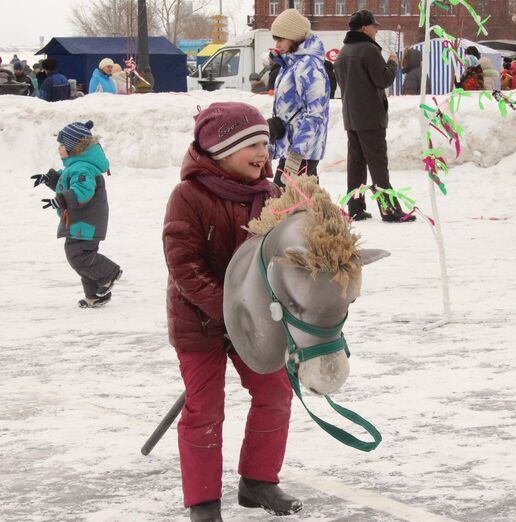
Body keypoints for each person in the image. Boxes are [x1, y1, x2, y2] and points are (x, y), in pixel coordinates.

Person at [162, 102, 301, 522]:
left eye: (265, 143)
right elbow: (184, 266)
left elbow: (285, 255)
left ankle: (258, 481)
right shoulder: (188, 197)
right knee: (205, 408)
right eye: (252, 144)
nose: (264, 152)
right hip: (200, 321)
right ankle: (202, 501)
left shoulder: (272, 195)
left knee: (275, 393)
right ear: (221, 149)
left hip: (255, 322)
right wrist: (228, 311)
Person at [334, 9, 415, 222]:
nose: (377, 29)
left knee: (356, 165)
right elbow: (384, 79)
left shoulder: (343, 52)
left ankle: (356, 207)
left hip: (351, 117)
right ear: (363, 27)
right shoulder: (368, 50)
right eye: (374, 26)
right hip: (370, 118)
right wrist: (393, 63)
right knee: (378, 165)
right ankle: (389, 210)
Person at [32, 120, 122, 308]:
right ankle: (95, 296)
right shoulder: (75, 166)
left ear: (74, 148)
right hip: (80, 221)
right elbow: (66, 183)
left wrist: (61, 200)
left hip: (86, 222)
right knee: (82, 257)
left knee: (78, 256)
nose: (59, 149)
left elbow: (83, 191)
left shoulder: (83, 168)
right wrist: (49, 178)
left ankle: (109, 273)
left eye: (62, 145)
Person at [268, 8, 331, 186]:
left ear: (294, 38)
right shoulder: (290, 65)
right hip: (290, 148)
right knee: (303, 203)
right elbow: (287, 111)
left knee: (281, 204)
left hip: (301, 151)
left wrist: (297, 153)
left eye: (280, 40)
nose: (277, 45)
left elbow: (316, 113)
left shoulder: (309, 66)